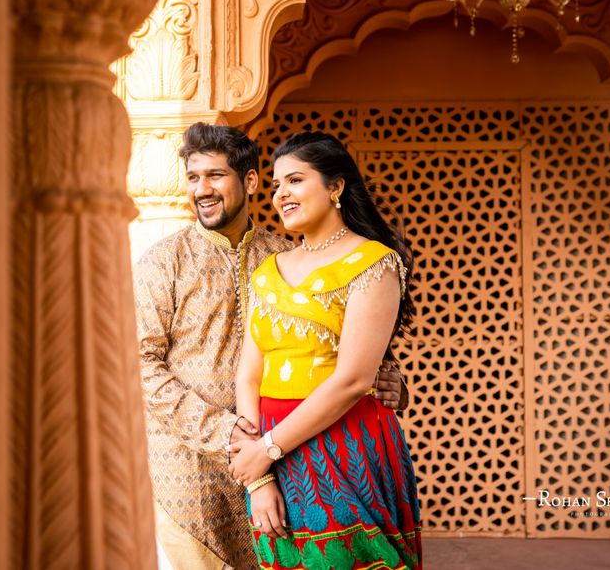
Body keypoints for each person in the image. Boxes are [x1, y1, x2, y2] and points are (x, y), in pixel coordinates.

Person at [134, 123, 411, 570]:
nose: (201, 189)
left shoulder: (282, 255)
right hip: (191, 468)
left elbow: (347, 346)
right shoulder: (164, 261)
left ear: (249, 182)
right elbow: (139, 366)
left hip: (293, 451)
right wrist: (225, 434)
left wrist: (389, 377)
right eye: (193, 177)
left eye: (215, 176)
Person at [228, 132, 423, 570]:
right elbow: (249, 376)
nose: (281, 195)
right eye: (277, 185)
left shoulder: (373, 263)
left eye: (295, 181)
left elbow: (353, 379)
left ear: (335, 187)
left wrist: (268, 449)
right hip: (271, 446)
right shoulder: (267, 272)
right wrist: (258, 476)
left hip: (343, 440)